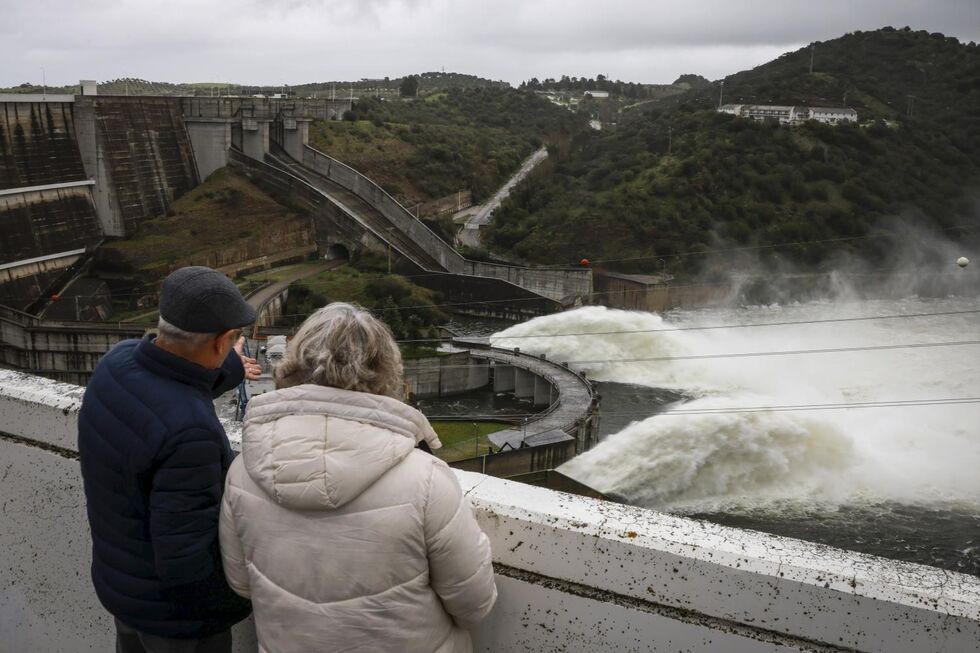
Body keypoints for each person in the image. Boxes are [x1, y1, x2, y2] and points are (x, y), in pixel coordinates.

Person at [219, 302, 497, 653]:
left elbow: (241, 583)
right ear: (385, 369)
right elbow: (475, 604)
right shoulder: (425, 480)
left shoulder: (244, 470)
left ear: (293, 365)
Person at [78, 266, 262, 653]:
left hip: (125, 590)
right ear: (220, 341)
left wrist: (229, 361)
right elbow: (187, 563)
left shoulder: (117, 363)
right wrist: (238, 603)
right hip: (177, 623)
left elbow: (176, 376)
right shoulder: (190, 433)